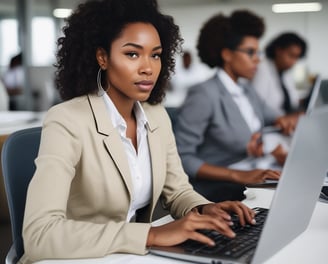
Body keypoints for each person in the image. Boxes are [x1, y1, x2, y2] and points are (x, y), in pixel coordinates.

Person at [20, 1, 256, 263]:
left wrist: (204, 208)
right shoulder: (67, 121)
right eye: (133, 54)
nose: (148, 67)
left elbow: (177, 191)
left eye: (155, 55)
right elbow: (39, 234)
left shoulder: (155, 115)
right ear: (103, 57)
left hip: (126, 256)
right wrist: (151, 235)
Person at [174, 10, 298, 202]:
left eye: (258, 52)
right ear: (227, 55)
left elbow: (273, 118)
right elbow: (181, 158)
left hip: (250, 177)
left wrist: (281, 125)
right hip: (217, 191)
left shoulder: (246, 89)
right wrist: (238, 176)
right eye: (250, 52)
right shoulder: (204, 94)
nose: (257, 59)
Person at [251, 32, 307, 116]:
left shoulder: (286, 73)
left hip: (287, 121)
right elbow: (257, 105)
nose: (293, 62)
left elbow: (291, 101)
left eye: (296, 57)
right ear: (278, 50)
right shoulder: (262, 69)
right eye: (291, 56)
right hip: (271, 123)